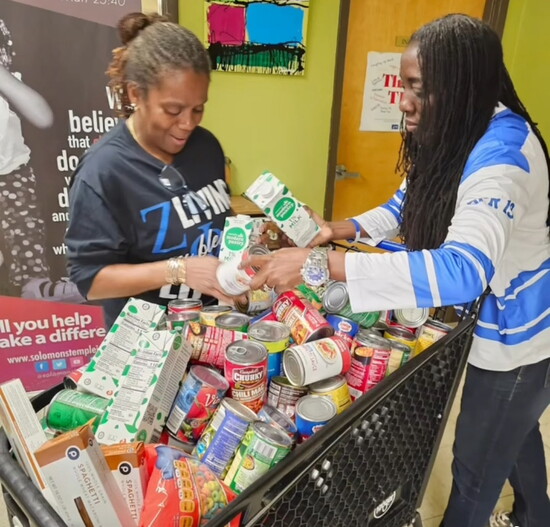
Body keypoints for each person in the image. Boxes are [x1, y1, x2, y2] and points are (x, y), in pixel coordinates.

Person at [247, 14, 550, 527]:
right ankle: (536, 515)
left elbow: (462, 269)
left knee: (476, 469)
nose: (403, 102)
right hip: (490, 325)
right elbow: (405, 204)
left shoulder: (503, 158)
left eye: (418, 89)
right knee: (513, 430)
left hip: (517, 340)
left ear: (461, 87)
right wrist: (336, 229)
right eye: (403, 84)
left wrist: (323, 265)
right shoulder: (454, 127)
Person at [66, 13, 233, 328]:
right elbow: (90, 280)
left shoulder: (207, 146)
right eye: (173, 110)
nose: (188, 123)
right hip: (145, 340)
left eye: (198, 108)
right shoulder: (103, 172)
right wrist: (178, 271)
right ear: (135, 94)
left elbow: (214, 225)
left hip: (210, 326)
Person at [0, 18, 83, 302]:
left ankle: (39, 292)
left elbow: (43, 117)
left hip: (12, 174)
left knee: (28, 254)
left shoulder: (6, 80)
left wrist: (2, 76)